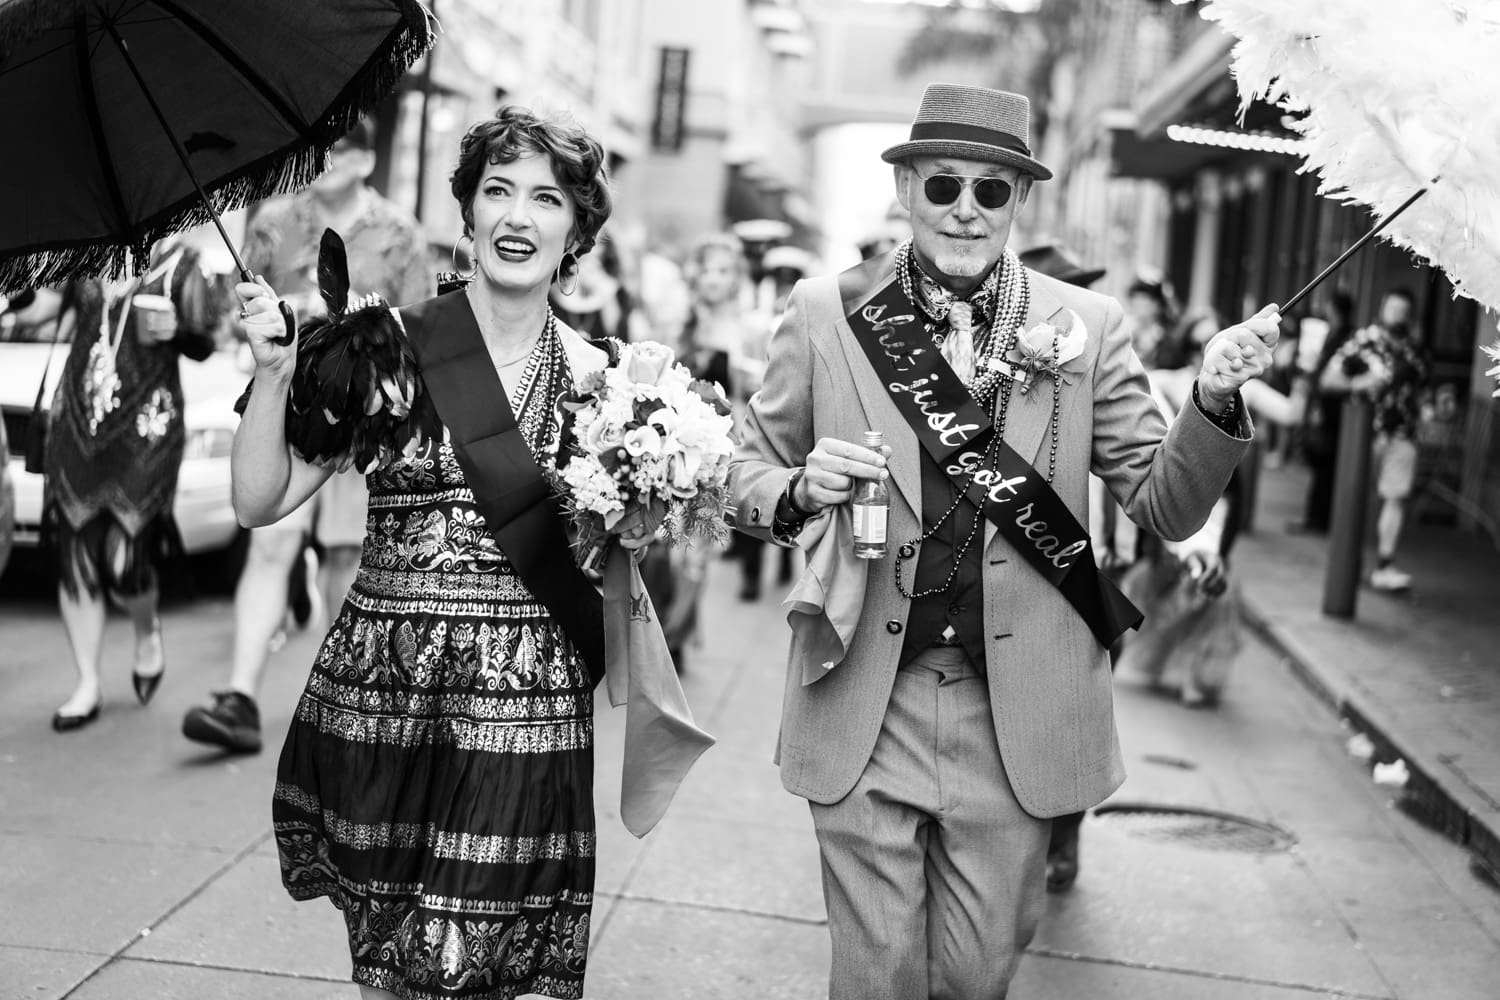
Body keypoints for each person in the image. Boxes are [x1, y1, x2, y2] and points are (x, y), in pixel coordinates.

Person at [728, 83, 1279, 999]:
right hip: (868, 690)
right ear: (906, 188)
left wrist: (1213, 399)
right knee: (875, 976)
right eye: (944, 185)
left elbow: (1163, 506)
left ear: (1019, 203)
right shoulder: (828, 311)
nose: (966, 211)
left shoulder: (1088, 327)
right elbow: (747, 465)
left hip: (1019, 709)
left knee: (977, 978)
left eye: (993, 191)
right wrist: (792, 490)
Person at [232, 106, 657, 1000]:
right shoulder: (382, 346)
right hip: (389, 699)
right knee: (395, 974)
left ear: (578, 226)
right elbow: (259, 500)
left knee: (495, 972)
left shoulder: (611, 385)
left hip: (525, 712)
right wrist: (276, 373)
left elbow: (623, 562)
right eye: (497, 190)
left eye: (547, 198)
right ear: (465, 211)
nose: (517, 216)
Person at [182, 118, 431, 753]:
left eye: (343, 150)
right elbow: (238, 311)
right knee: (269, 544)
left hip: (367, 420)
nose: (328, 161)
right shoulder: (271, 221)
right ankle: (239, 696)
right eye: (321, 150)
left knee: (347, 562)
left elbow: (423, 327)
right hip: (287, 406)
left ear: (367, 160)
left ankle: (336, 705)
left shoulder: (399, 234)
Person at [43, 240, 219, 730]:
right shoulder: (86, 250)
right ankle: (86, 684)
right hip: (79, 424)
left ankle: (147, 627)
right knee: (76, 554)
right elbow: (45, 306)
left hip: (148, 428)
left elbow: (206, 342)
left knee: (126, 559)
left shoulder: (183, 262)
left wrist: (178, 330)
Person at [1117, 308, 1307, 708]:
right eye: (1197, 344)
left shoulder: (1242, 383)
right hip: (1166, 497)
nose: (1198, 355)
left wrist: (1306, 366)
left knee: (1207, 587)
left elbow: (1293, 414)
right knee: (1165, 582)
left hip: (1219, 506)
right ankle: (1167, 661)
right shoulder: (1158, 384)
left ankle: (1195, 672)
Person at [1015, 241, 1110, 894]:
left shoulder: (1107, 362)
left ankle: (1066, 834)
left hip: (1101, 578)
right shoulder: (1015, 373)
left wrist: (1197, 550)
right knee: (1035, 713)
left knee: (1073, 718)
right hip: (1033, 571)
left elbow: (1151, 461)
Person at [1320, 288, 1428, 591]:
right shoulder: (1363, 340)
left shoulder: (1415, 349)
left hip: (1403, 434)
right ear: (1382, 308)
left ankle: (1384, 563)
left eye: (1403, 311)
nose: (1398, 316)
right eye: (1393, 309)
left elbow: (1423, 386)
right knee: (1357, 498)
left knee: (1395, 495)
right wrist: (1359, 382)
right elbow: (1327, 380)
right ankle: (1347, 561)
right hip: (1365, 432)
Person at [1293, 292, 1356, 533]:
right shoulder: (1336, 333)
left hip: (1332, 410)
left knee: (1324, 465)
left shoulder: (1346, 337)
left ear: (1335, 309)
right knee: (1322, 464)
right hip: (1327, 407)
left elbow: (1330, 371)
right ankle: (1317, 517)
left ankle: (1319, 519)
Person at [1123, 277, 1172, 368]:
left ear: (1158, 304)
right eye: (1136, 297)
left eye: (1145, 298)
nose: (1139, 303)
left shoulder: (1168, 337)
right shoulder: (1122, 330)